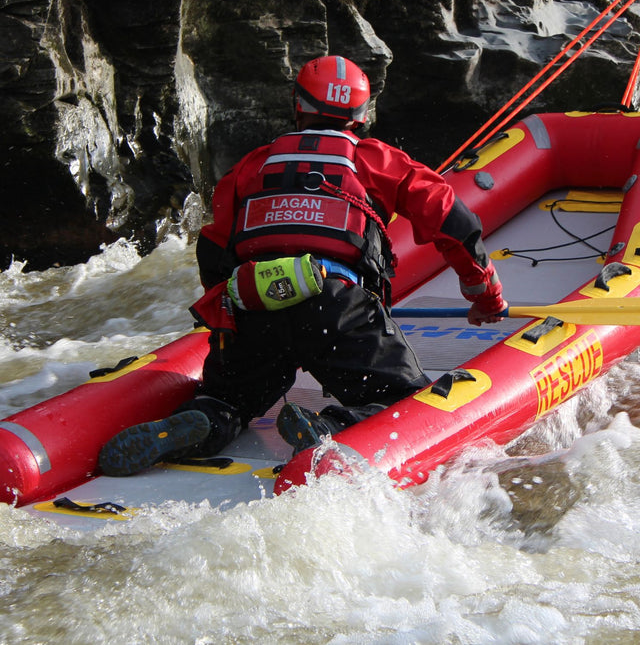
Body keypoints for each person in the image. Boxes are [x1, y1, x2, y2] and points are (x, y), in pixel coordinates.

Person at [99, 55, 507, 476]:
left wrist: (227, 324)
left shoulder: (252, 165)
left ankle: (204, 418)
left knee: (231, 398)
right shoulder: (374, 159)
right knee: (401, 401)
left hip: (254, 303)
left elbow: (213, 248)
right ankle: (327, 428)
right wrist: (485, 295)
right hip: (335, 306)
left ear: (298, 104)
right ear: (362, 113)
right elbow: (454, 222)